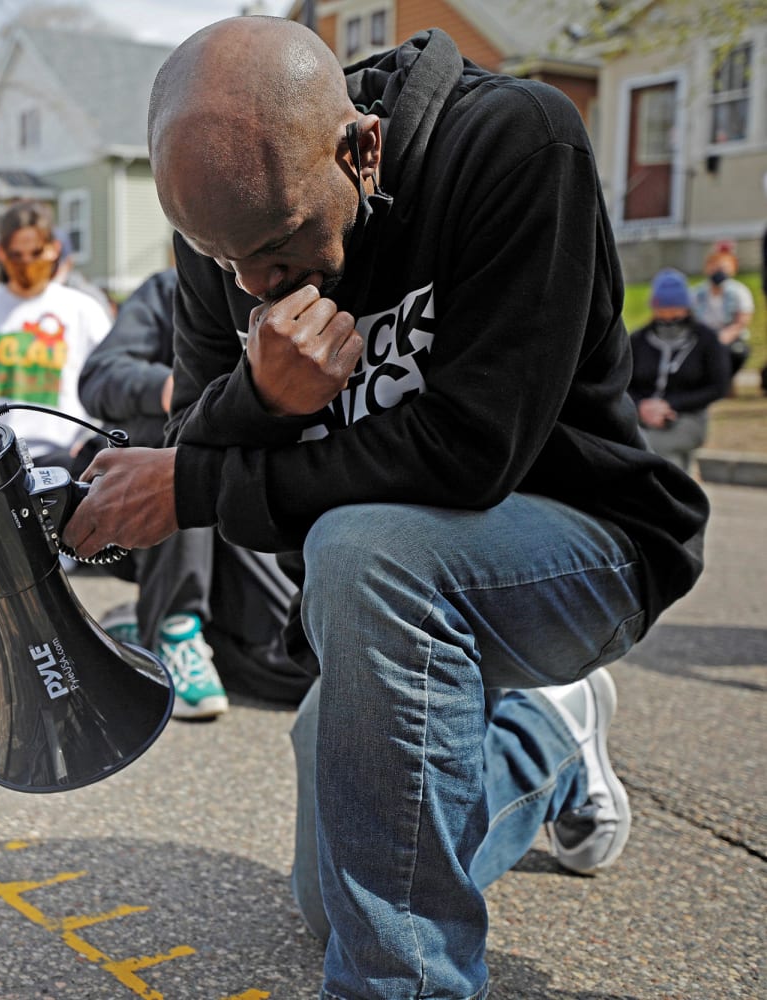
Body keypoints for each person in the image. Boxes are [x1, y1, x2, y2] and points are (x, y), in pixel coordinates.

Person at [60, 18, 709, 999]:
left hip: (586, 539)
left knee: (364, 549)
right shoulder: (233, 232)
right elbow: (213, 439)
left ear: (361, 151)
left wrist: (194, 480)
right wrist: (264, 398)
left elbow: (470, 451)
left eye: (276, 248)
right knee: (337, 898)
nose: (251, 285)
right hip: (388, 596)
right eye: (216, 255)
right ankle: (550, 747)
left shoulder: (515, 145)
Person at [79, 267, 311, 718]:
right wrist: (166, 388)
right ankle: (173, 623)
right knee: (180, 438)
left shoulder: (306, 283)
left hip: (249, 499)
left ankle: (146, 623)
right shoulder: (165, 290)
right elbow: (99, 377)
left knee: (306, 664)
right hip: (156, 501)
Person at [0, 200, 112, 471]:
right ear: (0, 253)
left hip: (68, 456)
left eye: (35, 253)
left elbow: (109, 384)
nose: (27, 264)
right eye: (16, 255)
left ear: (54, 249)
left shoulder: (84, 310)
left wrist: (94, 437)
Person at [628, 268, 732, 472]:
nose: (669, 315)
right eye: (663, 308)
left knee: (646, 446)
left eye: (675, 308)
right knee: (669, 460)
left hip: (688, 418)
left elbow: (718, 387)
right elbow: (624, 383)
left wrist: (671, 405)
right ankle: (683, 493)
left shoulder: (706, 340)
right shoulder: (638, 340)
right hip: (642, 418)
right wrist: (642, 406)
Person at [692, 240, 754, 379]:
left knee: (736, 352)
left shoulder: (740, 292)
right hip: (702, 337)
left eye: (723, 267)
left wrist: (722, 337)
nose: (718, 271)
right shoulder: (696, 293)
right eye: (714, 266)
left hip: (728, 339)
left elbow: (741, 322)